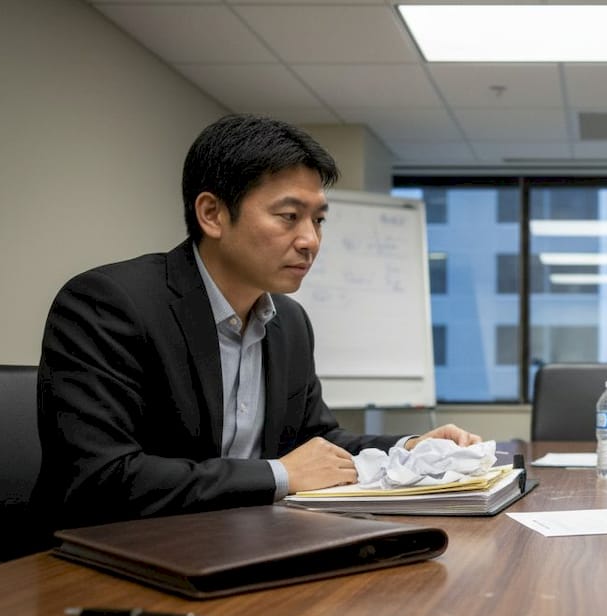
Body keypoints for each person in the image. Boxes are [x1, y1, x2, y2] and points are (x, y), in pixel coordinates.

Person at [33, 114, 481, 532]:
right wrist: (280, 474)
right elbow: (100, 478)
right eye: (289, 217)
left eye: (318, 220)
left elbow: (318, 440)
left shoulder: (288, 320)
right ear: (212, 214)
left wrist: (407, 449)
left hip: (242, 540)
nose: (310, 241)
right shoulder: (109, 304)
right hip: (121, 552)